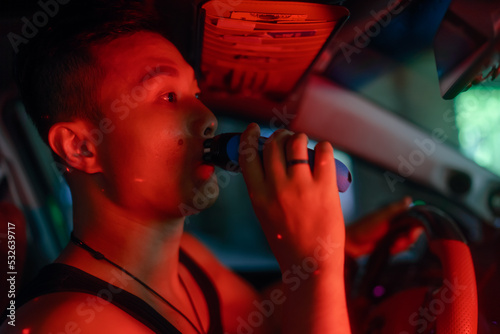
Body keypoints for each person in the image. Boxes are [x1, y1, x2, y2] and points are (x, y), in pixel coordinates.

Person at [1, 1, 417, 333]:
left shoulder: (188, 259)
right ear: (80, 146)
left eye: (195, 92)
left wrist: (340, 251)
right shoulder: (67, 324)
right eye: (167, 96)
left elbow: (261, 324)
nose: (207, 118)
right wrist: (315, 269)